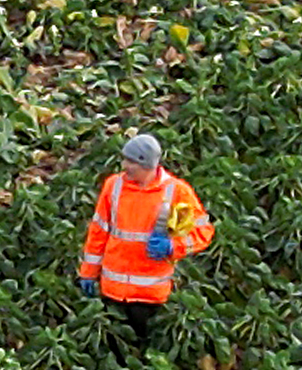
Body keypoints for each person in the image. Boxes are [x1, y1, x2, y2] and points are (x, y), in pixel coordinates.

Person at [79, 129, 211, 350]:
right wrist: (88, 273)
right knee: (114, 348)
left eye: (131, 162)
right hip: (112, 289)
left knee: (144, 346)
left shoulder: (177, 191)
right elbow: (98, 231)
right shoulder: (114, 186)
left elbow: (203, 231)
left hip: (149, 294)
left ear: (148, 166)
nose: (124, 166)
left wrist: (172, 246)